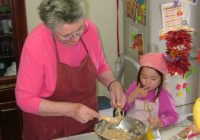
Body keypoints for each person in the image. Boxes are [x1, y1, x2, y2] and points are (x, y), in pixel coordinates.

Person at [15, 0, 126, 139]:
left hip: (85, 123)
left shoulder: (90, 29)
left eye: (79, 29)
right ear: (50, 27)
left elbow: (100, 64)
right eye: (66, 35)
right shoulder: (36, 44)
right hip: (48, 129)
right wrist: (71, 109)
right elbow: (24, 100)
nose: (75, 39)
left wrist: (113, 84)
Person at [123, 53, 179, 128]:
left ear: (162, 79)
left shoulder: (163, 94)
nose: (148, 82)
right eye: (144, 77)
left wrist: (161, 122)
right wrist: (133, 96)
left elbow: (174, 116)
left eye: (153, 79)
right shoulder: (134, 86)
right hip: (130, 128)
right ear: (139, 74)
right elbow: (123, 108)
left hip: (150, 132)